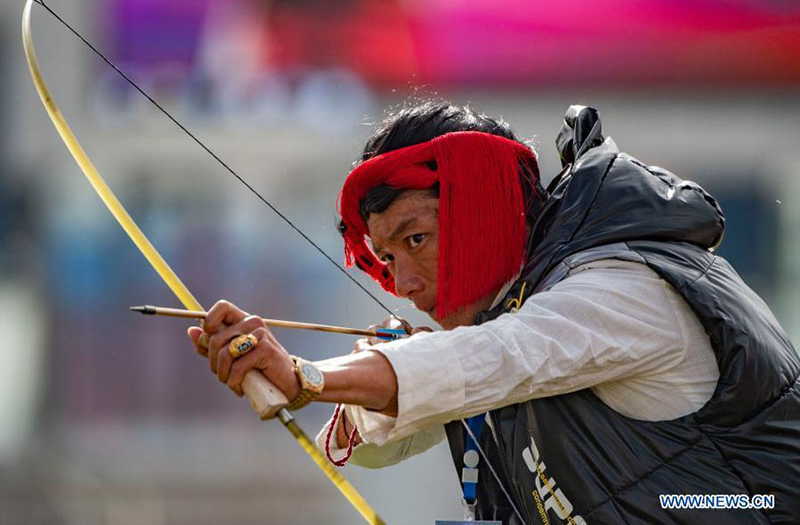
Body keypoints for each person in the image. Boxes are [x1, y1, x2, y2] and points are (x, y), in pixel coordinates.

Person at [187, 102, 800, 524]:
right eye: (387, 258)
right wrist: (330, 382)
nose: (403, 283)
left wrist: (306, 377)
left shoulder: (621, 284)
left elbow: (495, 360)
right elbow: (382, 439)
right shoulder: (521, 313)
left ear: (482, 201)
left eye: (416, 240)